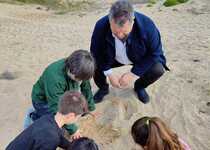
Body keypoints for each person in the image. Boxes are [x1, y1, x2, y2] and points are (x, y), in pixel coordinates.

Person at [90, 0, 169, 104]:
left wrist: (133, 74)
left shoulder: (148, 25)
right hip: (111, 58)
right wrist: (109, 73)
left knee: (158, 69)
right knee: (92, 64)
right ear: (110, 21)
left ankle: (139, 87)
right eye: (115, 32)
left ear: (133, 20)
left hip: (138, 56)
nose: (120, 36)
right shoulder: (101, 25)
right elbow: (95, 53)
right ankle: (103, 88)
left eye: (125, 32)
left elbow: (155, 53)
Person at [30, 50, 96, 139]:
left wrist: (91, 107)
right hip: (43, 100)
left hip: (63, 96)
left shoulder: (82, 70)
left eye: (81, 79)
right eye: (77, 79)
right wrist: (73, 130)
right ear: (70, 69)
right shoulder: (54, 77)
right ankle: (35, 116)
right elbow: (56, 107)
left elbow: (86, 88)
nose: (79, 81)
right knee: (55, 128)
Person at [6, 91, 89, 150]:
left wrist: (70, 146)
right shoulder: (50, 139)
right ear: (71, 116)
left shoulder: (49, 118)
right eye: (78, 117)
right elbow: (54, 138)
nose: (77, 119)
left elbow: (58, 136)